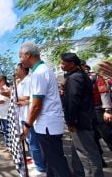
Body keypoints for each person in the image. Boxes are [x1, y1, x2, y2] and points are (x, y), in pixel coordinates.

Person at [19, 42, 71, 177]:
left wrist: (27, 125)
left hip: (47, 125)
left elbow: (36, 104)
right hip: (47, 124)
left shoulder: (39, 73)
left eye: (21, 56)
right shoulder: (42, 70)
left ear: (28, 55)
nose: (20, 60)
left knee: (57, 164)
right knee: (50, 162)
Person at [81, 61, 112, 176]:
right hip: (86, 113)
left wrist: (107, 110)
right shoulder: (75, 78)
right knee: (93, 139)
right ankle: (100, 161)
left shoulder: (95, 77)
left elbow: (104, 93)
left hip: (98, 110)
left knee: (109, 137)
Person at [60, 53, 103, 177]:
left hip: (80, 120)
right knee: (79, 151)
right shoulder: (79, 76)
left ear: (72, 64)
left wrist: (71, 122)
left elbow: (72, 102)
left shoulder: (75, 78)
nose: (61, 66)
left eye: (63, 63)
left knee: (88, 154)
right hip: (84, 118)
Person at [14, 63, 46, 175]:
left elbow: (28, 99)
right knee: (29, 141)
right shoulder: (20, 82)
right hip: (23, 115)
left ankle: (40, 168)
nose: (15, 71)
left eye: (17, 69)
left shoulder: (28, 81)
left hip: (29, 116)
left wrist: (13, 96)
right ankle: (38, 164)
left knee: (33, 142)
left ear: (23, 70)